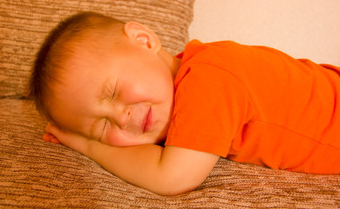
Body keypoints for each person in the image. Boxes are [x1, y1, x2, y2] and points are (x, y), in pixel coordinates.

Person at [29, 11, 340, 196]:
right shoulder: (185, 91)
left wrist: (89, 145)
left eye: (111, 92)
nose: (121, 118)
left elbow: (173, 178)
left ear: (144, 41)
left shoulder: (209, 79)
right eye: (100, 127)